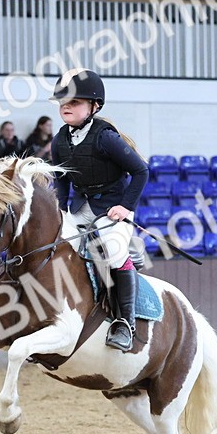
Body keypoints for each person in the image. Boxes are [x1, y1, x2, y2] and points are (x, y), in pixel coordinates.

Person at [49, 68, 149, 352]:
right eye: (63, 102)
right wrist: (60, 209)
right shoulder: (59, 140)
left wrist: (125, 207)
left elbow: (141, 171)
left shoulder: (105, 137)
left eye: (75, 102)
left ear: (94, 106)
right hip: (80, 207)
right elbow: (61, 179)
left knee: (114, 252)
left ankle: (125, 323)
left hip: (112, 208)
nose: (66, 107)